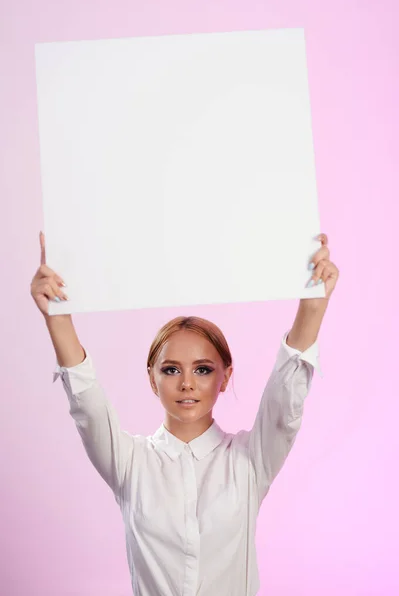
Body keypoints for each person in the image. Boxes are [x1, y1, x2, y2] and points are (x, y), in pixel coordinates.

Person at [31, 231, 339, 596]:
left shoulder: (249, 459)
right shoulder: (131, 462)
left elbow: (285, 399)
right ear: (152, 379)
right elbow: (87, 406)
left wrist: (313, 305)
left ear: (225, 378)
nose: (187, 383)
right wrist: (57, 316)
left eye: (203, 369)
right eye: (171, 369)